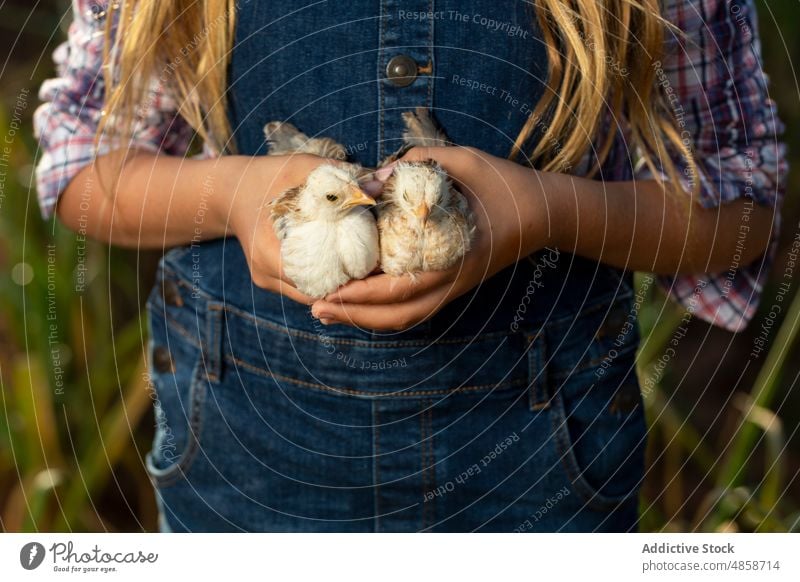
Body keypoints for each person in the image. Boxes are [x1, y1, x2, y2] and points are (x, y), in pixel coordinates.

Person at [34, 0, 785, 532]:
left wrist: (544, 211)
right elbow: (79, 166)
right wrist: (235, 194)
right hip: (245, 455)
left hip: (541, 463)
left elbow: (742, 209)